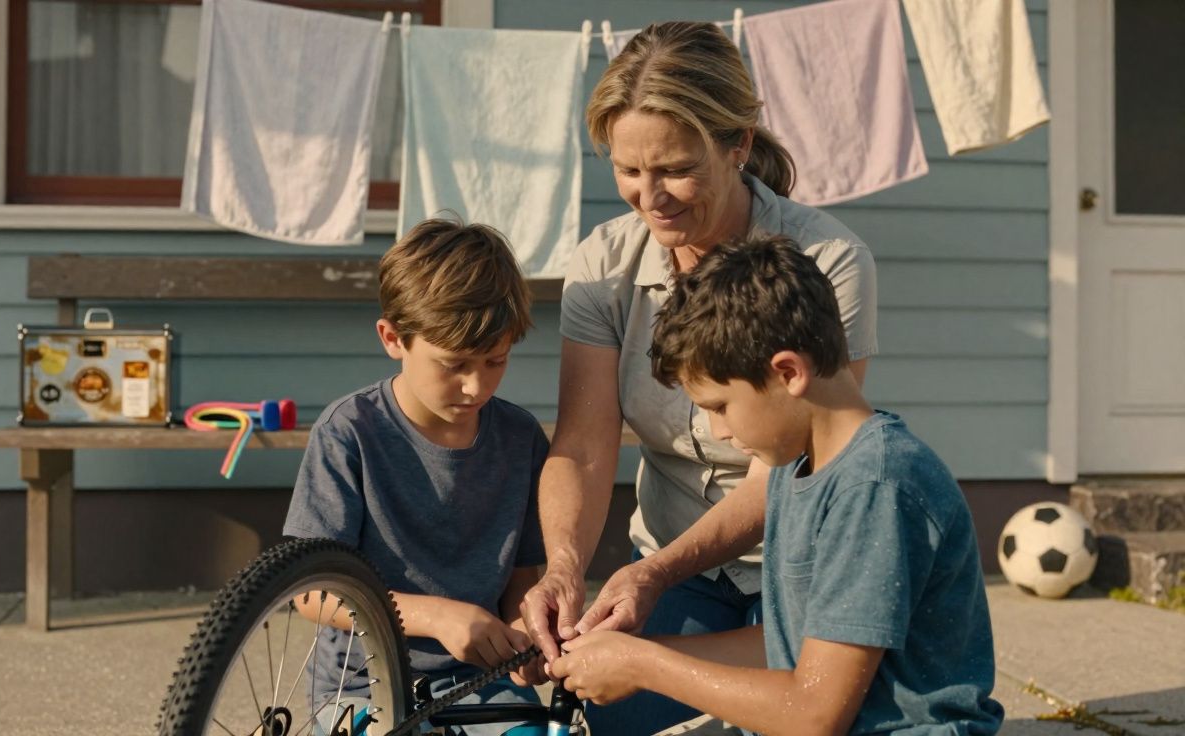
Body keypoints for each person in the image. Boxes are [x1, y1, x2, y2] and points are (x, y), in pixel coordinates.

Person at [519, 21, 878, 734]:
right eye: (628, 171)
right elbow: (585, 445)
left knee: (804, 712)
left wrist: (652, 577)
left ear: (738, 144)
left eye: (675, 169)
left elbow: (781, 469)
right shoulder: (605, 265)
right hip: (678, 569)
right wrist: (561, 568)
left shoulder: (828, 261)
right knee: (605, 709)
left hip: (799, 570)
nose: (649, 196)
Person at [552, 236, 1004, 735]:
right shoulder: (800, 467)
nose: (719, 431)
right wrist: (638, 651)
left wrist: (642, 666)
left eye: (720, 406)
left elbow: (814, 714)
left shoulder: (874, 488)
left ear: (788, 372)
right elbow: (796, 647)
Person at [283, 217, 549, 736]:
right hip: (361, 685)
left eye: (496, 361)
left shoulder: (520, 437)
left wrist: (520, 633)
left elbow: (522, 575)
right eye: (454, 364)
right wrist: (439, 617)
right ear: (393, 338)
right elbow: (309, 592)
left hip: (481, 679)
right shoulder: (349, 432)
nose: (476, 386)